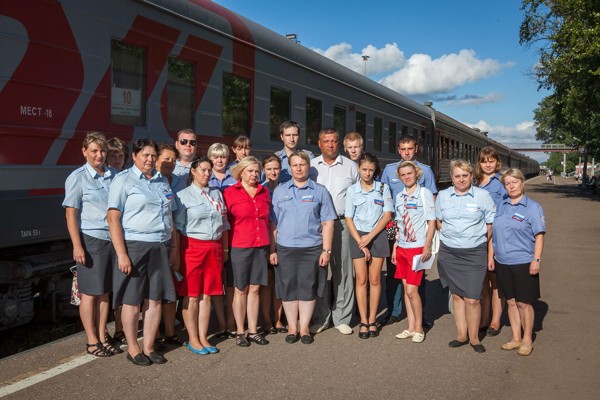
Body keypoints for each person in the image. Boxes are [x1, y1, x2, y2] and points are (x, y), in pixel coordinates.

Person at [107, 138, 177, 366]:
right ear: (134, 156)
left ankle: (148, 346)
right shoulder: (123, 180)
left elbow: (171, 217)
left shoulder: (161, 181)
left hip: (160, 245)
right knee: (132, 301)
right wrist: (122, 254)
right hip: (135, 246)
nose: (149, 159)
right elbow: (113, 218)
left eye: (153, 156)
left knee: (154, 299)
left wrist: (173, 247)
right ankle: (134, 348)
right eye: (145, 155)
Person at [63, 132, 120, 357]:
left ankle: (102, 335)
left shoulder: (114, 175)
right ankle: (91, 340)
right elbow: (70, 215)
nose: (99, 155)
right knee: (89, 293)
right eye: (94, 150)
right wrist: (77, 245)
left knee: (105, 293)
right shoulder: (77, 177)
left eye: (102, 150)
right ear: (84, 151)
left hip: (113, 239)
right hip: (91, 239)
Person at [270, 151, 336, 344]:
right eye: (295, 165)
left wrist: (326, 250)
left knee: (308, 288)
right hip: (286, 248)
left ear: (308, 167)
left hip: (312, 248)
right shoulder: (280, 191)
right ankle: (292, 327)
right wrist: (272, 250)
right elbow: (273, 224)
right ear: (289, 168)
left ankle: (305, 327)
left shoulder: (320, 191)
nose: (298, 168)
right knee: (289, 288)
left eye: (302, 164)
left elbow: (328, 223)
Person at [435, 160, 495, 353]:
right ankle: (461, 335)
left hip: (474, 253)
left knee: (473, 298)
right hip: (450, 253)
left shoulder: (483, 196)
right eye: (457, 176)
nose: (461, 179)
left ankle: (475, 338)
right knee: (458, 296)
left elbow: (490, 225)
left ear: (471, 176)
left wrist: (477, 242)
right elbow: (438, 221)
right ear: (451, 178)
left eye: (465, 175)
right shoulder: (443, 196)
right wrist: (451, 236)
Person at [174, 157, 230, 355]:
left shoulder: (216, 193)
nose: (207, 174)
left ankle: (204, 336)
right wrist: (176, 254)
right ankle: (193, 338)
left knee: (208, 294)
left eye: (209, 170)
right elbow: (177, 227)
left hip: (214, 247)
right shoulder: (182, 196)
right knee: (192, 295)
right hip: (192, 247)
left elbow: (224, 224)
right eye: (203, 170)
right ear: (193, 172)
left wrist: (224, 249)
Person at [380, 135, 438, 326]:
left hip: (418, 228)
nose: (406, 152)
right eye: (403, 149)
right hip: (394, 226)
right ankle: (394, 311)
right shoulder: (389, 171)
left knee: (417, 276)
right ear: (398, 149)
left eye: (410, 149)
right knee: (394, 270)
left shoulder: (426, 171)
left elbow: (432, 200)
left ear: (416, 149)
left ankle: (420, 315)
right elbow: (384, 198)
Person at [309, 128, 359, 335]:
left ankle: (342, 317)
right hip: (316, 224)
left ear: (338, 143)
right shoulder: (311, 167)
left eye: (334, 141)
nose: (330, 145)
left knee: (343, 272)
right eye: (326, 141)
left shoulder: (351, 167)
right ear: (319, 144)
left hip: (342, 223)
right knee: (319, 271)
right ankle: (321, 317)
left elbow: (359, 195)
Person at [491, 168, 545, 356]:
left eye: (515, 182)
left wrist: (536, 260)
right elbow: (493, 234)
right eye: (508, 183)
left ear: (522, 183)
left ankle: (527, 339)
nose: (511, 186)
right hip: (502, 261)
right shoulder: (500, 205)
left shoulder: (532, 207)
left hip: (523, 261)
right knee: (512, 302)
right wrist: (491, 256)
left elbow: (539, 236)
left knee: (524, 303)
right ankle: (515, 337)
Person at [223, 156, 271, 347]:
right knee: (240, 289)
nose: (254, 174)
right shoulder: (229, 193)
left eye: (256, 171)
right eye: (250, 171)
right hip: (240, 246)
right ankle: (240, 331)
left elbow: (269, 221)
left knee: (255, 288)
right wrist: (225, 249)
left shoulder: (264, 192)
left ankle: (253, 330)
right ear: (241, 172)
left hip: (261, 246)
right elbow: (225, 224)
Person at [345, 153, 392, 339]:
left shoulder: (383, 188)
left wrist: (370, 237)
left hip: (377, 236)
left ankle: (372, 319)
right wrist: (360, 241)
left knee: (375, 280)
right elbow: (348, 217)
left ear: (375, 170)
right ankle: (363, 320)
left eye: (371, 170)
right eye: (364, 169)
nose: (367, 173)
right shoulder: (352, 190)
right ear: (359, 169)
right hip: (357, 235)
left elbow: (387, 214)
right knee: (361, 280)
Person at [391, 161, 436, 343]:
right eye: (403, 175)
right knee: (405, 289)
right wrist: (395, 246)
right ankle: (410, 327)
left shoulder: (424, 194)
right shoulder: (399, 196)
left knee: (412, 290)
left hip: (417, 247)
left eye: (409, 173)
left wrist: (427, 246)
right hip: (402, 246)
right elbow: (399, 224)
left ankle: (419, 328)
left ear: (416, 174)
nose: (407, 177)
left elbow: (431, 222)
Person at [155, 144, 187, 348]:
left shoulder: (174, 183)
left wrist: (175, 248)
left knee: (169, 291)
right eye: (166, 159)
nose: (171, 164)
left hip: (171, 238)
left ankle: (169, 332)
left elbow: (174, 219)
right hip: (152, 242)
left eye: (174, 161)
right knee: (154, 292)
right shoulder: (152, 182)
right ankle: (155, 334)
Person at [475, 147, 507, 337]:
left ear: (497, 163)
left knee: (495, 280)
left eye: (491, 160)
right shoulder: (475, 182)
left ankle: (495, 321)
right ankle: (485, 318)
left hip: (494, 237)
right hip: (477, 237)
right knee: (482, 280)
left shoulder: (502, 183)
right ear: (479, 163)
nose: (488, 164)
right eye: (484, 161)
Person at [206, 142, 237, 338]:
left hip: (234, 234)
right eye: (215, 156)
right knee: (216, 282)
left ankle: (232, 322)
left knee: (232, 283)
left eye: (223, 156)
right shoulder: (204, 177)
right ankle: (221, 323)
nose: (219, 160)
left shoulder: (234, 178)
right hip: (214, 235)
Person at [260, 155, 287, 334]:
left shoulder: (285, 189)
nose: (273, 172)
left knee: (278, 282)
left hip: (282, 240)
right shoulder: (260, 190)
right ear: (264, 170)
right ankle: (267, 320)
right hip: (264, 240)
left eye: (276, 168)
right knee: (266, 283)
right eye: (269, 169)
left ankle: (278, 319)